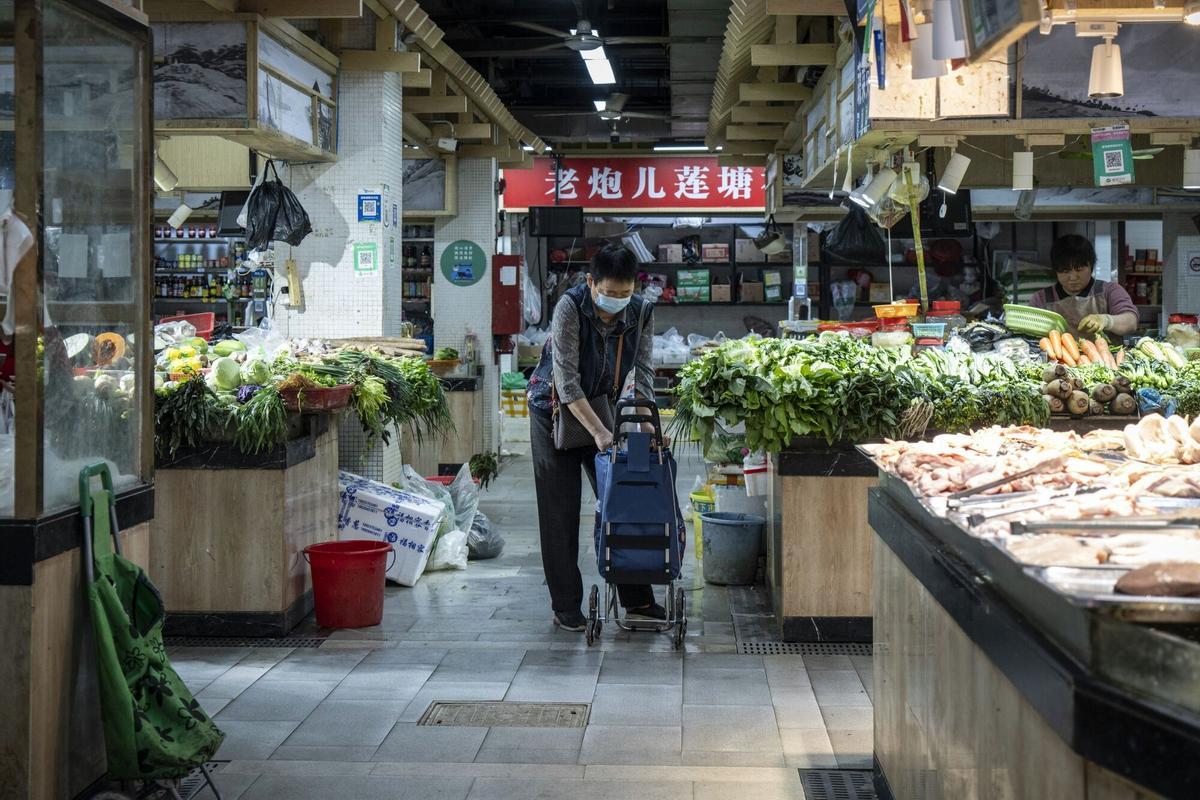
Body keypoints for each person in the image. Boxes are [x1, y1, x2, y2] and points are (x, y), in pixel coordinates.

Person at [527, 245, 663, 632]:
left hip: (603, 406)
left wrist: (647, 422)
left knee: (622, 500)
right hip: (552, 412)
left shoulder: (641, 312)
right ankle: (565, 604)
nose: (617, 302)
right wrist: (602, 433)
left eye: (625, 293)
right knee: (560, 512)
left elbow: (643, 372)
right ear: (591, 282)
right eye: (610, 293)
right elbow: (566, 383)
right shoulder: (571, 307)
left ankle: (637, 599)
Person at [1028, 234, 1138, 338]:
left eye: (1079, 270)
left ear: (1092, 266)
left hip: (1107, 357)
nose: (1073, 277)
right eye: (1065, 271)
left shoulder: (1110, 291)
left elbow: (1131, 322)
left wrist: (1106, 320)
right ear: (1055, 271)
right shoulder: (1041, 299)